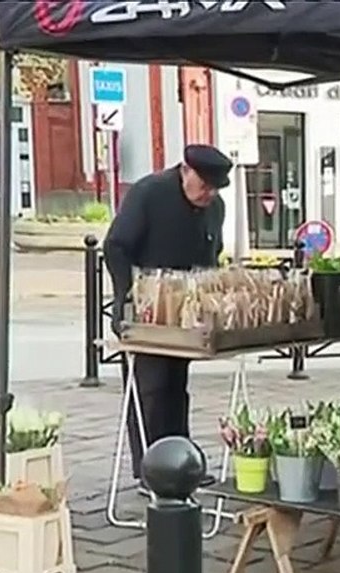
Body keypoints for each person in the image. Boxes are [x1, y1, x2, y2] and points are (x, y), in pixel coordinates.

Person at [103, 144, 232, 492]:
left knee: (177, 389)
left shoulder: (214, 207)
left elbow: (212, 255)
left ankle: (179, 464)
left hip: (185, 313)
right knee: (152, 388)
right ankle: (152, 469)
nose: (209, 194)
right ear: (185, 171)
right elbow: (115, 245)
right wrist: (129, 293)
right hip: (144, 310)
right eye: (204, 185)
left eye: (215, 188)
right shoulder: (149, 192)